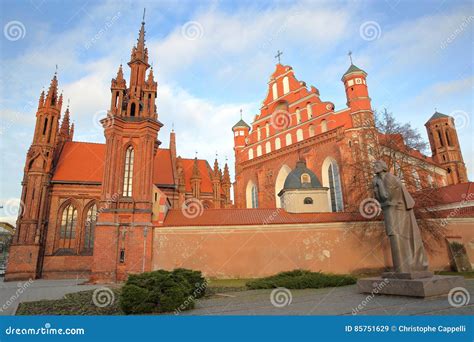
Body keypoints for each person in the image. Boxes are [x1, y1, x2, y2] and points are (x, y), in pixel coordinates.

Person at [372, 160, 429, 273]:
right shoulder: (377, 179)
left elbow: (387, 197)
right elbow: (379, 198)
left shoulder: (390, 178)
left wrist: (378, 186)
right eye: (374, 165)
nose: (374, 167)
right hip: (390, 208)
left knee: (396, 233)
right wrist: (376, 187)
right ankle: (403, 268)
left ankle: (404, 268)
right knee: (394, 233)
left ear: (383, 168)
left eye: (376, 165)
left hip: (400, 209)